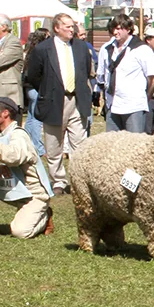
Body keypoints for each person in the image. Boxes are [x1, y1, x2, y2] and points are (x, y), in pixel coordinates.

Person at [26, 13, 93, 196]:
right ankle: (58, 182)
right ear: (57, 28)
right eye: (68, 26)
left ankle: (79, 181)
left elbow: (85, 70)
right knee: (54, 144)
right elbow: (33, 76)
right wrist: (48, 90)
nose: (72, 29)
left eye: (73, 26)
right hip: (54, 100)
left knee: (79, 144)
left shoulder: (80, 47)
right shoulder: (43, 49)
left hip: (77, 100)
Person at [0, 97, 54, 239]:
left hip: (33, 194)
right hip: (13, 188)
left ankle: (45, 216)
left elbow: (15, 156)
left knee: (20, 232)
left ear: (5, 113)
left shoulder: (19, 135)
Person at [97, 14, 154, 132]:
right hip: (112, 105)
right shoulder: (107, 48)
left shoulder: (141, 49)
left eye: (119, 28)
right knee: (112, 145)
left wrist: (145, 97)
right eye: (113, 28)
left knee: (134, 146)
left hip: (133, 106)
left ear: (128, 29)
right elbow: (102, 75)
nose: (115, 32)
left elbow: (153, 79)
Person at [22, 29, 50, 156]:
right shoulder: (39, 52)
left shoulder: (29, 50)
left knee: (30, 117)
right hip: (35, 88)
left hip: (29, 88)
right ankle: (38, 148)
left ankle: (27, 142)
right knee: (37, 119)